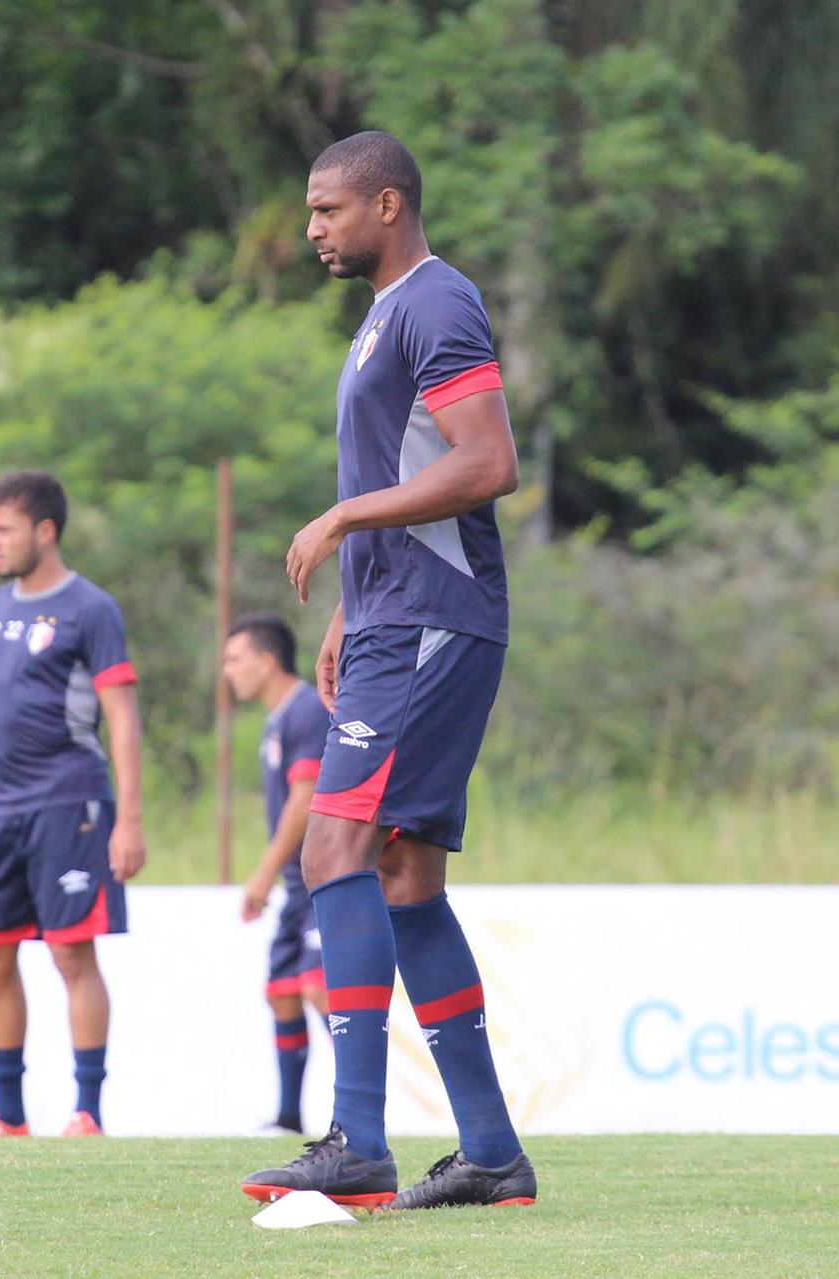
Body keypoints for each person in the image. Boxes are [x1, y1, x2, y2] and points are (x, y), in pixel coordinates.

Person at [240, 131, 536, 1210]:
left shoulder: (436, 301)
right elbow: (414, 459)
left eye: (328, 210)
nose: (313, 229)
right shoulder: (383, 318)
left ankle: (356, 1139)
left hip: (432, 622)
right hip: (394, 620)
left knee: (335, 840)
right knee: (403, 875)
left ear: (388, 205)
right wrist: (354, 609)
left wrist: (347, 516)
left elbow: (486, 461)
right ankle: (493, 1153)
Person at [0, 470, 147, 1138]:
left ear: (45, 530)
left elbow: (121, 717)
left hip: (70, 803)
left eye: (4, 529)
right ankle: (6, 1114)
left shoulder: (91, 609)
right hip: (1, 812)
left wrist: (130, 816)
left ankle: (87, 1110)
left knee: (71, 954)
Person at [222, 612, 329, 1135]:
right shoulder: (277, 717)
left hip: (323, 877)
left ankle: (359, 1114)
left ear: (267, 662)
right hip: (297, 885)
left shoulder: (307, 710)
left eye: (234, 659)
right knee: (284, 989)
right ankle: (289, 1118)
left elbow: (305, 800)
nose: (227, 671)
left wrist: (261, 876)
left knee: (322, 989)